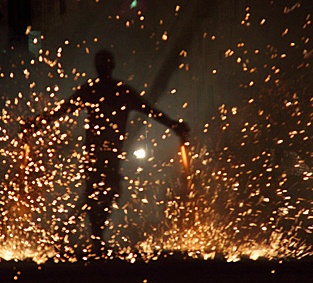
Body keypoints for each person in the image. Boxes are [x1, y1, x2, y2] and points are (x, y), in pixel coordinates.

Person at [22, 50, 190, 256]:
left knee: (100, 194)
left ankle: (78, 237)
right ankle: (87, 239)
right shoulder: (113, 92)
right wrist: (173, 125)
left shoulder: (99, 91)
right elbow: (151, 111)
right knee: (100, 194)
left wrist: (36, 123)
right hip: (101, 154)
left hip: (103, 154)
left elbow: (61, 111)